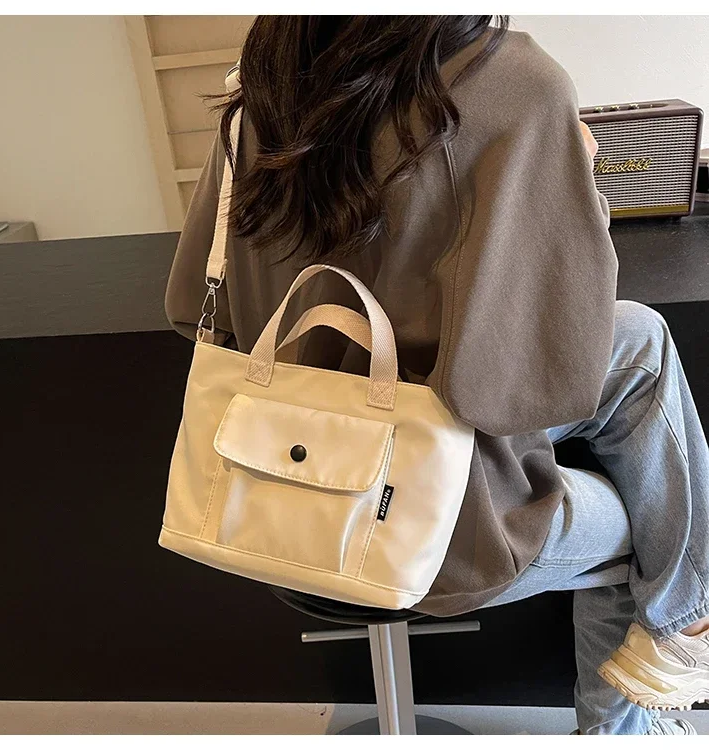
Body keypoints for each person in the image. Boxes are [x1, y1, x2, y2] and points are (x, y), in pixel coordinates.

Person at [165, 16, 709, 735]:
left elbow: (190, 306)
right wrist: (575, 177)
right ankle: (662, 663)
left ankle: (686, 628)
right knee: (655, 521)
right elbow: (528, 385)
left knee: (640, 338)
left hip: (266, 492)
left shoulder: (266, 84)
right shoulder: (512, 82)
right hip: (433, 526)